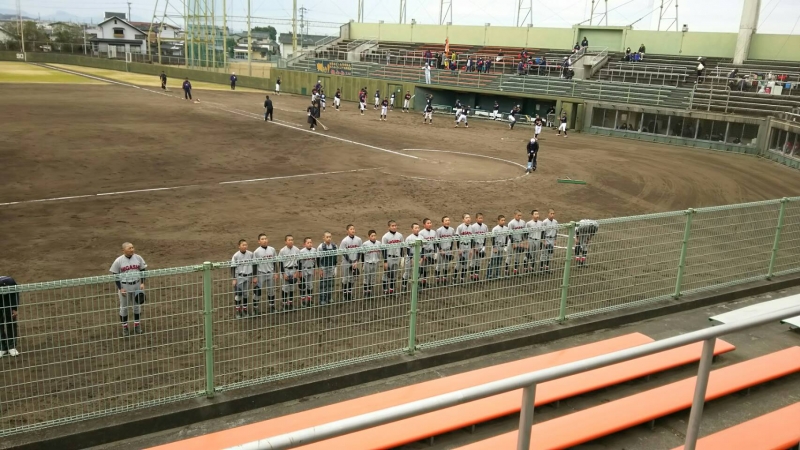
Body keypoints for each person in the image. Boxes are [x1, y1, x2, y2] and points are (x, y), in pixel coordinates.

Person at [110, 242, 148, 335]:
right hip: (125, 286)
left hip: (137, 285)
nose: (132, 250)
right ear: (123, 250)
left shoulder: (138, 258)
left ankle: (137, 326)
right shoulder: (118, 261)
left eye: (132, 247)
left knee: (137, 306)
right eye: (129, 248)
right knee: (124, 308)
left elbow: (143, 270)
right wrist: (120, 288)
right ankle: (125, 327)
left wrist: (142, 283)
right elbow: (115, 275)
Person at [230, 239, 255, 319]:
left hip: (248, 276)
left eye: (246, 245)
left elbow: (254, 264)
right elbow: (233, 267)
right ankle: (238, 310)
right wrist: (234, 278)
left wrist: (253, 276)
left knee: (246, 294)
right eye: (243, 245)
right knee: (238, 294)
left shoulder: (250, 254)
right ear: (239, 246)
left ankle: (244, 309)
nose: (245, 246)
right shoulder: (236, 255)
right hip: (239, 277)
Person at [253, 233, 278, 314]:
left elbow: (275, 262)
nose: (264, 240)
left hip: (270, 273)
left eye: (265, 239)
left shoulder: (272, 249)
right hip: (261, 274)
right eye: (262, 239)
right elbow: (254, 265)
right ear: (259, 241)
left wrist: (276, 272)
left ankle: (272, 306)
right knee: (257, 291)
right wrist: (255, 276)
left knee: (271, 290)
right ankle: (255, 308)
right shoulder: (256, 252)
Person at [340, 225, 363, 301]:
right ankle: (344, 294)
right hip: (346, 262)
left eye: (353, 229)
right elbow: (343, 252)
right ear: (347, 231)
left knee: (352, 279)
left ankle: (349, 294)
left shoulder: (358, 239)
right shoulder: (344, 241)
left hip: (355, 262)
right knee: (345, 279)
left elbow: (359, 251)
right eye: (351, 229)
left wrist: (356, 261)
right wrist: (350, 262)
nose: (353, 230)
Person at [381, 221, 404, 295]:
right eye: (392, 226)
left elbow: (402, 247)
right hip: (389, 257)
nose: (394, 227)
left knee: (394, 274)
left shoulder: (400, 235)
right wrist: (385, 261)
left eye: (395, 225)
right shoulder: (385, 237)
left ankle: (391, 290)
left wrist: (402, 257)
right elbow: (384, 249)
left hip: (397, 257)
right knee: (386, 273)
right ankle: (385, 290)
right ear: (389, 227)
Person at [279, 235, 301, 310]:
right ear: (285, 242)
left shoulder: (297, 250)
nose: (291, 241)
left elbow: (299, 261)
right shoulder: (282, 251)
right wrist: (283, 273)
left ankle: (290, 304)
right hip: (286, 270)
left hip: (293, 270)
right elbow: (280, 263)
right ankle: (284, 304)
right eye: (289, 240)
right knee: (285, 288)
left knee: (292, 288)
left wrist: (297, 271)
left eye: (292, 240)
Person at [0, 275, 19, 357]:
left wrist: (14, 308)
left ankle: (12, 347)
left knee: (10, 322)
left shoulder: (10, 282)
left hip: (8, 300)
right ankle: (2, 348)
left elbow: (15, 294)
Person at [316, 232, 338, 305]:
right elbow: (318, 259)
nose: (329, 238)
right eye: (327, 237)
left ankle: (329, 298)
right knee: (323, 284)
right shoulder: (320, 247)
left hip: (332, 267)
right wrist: (320, 269)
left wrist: (335, 267)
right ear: (324, 238)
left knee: (330, 283)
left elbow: (335, 258)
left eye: (330, 237)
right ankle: (322, 299)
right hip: (324, 267)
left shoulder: (334, 246)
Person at [435, 216, 456, 284]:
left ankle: (444, 278)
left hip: (448, 250)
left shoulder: (452, 230)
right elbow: (437, 241)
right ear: (443, 222)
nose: (447, 222)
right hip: (441, 250)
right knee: (439, 265)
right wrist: (441, 250)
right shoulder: (439, 230)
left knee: (446, 265)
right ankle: (437, 279)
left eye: (448, 220)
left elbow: (452, 240)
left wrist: (451, 249)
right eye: (446, 220)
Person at [298, 237, 318, 307]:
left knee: (310, 285)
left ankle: (309, 300)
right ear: (304, 244)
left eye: (310, 242)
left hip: (311, 269)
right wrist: (300, 272)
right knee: (303, 286)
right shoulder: (301, 251)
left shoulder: (314, 250)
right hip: (304, 270)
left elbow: (314, 261)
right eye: (308, 243)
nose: (310, 244)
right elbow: (299, 262)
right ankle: (303, 300)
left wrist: (315, 269)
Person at [403, 223, 423, 290]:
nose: (417, 229)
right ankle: (404, 286)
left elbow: (423, 248)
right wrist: (412, 259)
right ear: (412, 229)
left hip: (418, 256)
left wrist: (421, 258)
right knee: (407, 272)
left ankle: (416, 286)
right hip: (410, 257)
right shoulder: (409, 238)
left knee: (417, 272)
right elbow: (408, 250)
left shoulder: (421, 237)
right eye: (415, 228)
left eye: (418, 228)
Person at [454, 214, 474, 283]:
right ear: (463, 220)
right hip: (461, 246)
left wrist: (471, 249)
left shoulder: (472, 227)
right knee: (458, 263)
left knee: (466, 264)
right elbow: (457, 238)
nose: (468, 219)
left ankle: (462, 278)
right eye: (466, 218)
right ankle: (454, 278)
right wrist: (458, 249)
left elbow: (472, 238)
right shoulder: (460, 227)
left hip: (468, 246)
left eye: (469, 217)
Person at [488, 215, 508, 280]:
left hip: (502, 246)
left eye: (504, 220)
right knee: (493, 260)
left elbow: (506, 237)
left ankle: (497, 274)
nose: (503, 221)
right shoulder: (495, 229)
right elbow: (492, 238)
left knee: (499, 261)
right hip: (496, 245)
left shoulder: (506, 228)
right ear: (498, 221)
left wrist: (505, 245)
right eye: (502, 220)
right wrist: (494, 247)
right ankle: (489, 275)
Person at [361, 230, 381, 298]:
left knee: (373, 278)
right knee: (366, 278)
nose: (374, 237)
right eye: (372, 236)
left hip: (375, 263)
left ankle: (370, 292)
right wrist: (363, 264)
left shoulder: (379, 243)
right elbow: (362, 254)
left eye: (375, 235)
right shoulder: (365, 244)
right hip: (367, 263)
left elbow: (380, 252)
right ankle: (365, 292)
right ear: (369, 236)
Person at [469, 213, 488, 281]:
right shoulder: (473, 227)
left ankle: (476, 275)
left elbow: (485, 237)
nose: (481, 219)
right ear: (476, 219)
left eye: (481, 218)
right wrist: (474, 247)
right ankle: (471, 275)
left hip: (481, 245)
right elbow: (471, 238)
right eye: (479, 218)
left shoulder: (485, 226)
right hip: (475, 245)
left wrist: (483, 247)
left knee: (479, 261)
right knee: (473, 261)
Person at [419, 219, 437, 287]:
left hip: (430, 252)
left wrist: (435, 252)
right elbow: (420, 245)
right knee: (421, 268)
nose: (429, 224)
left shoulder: (434, 232)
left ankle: (424, 282)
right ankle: (419, 282)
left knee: (427, 269)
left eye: (430, 223)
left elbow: (435, 243)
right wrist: (422, 255)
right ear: (424, 225)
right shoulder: (421, 233)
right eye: (428, 223)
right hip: (424, 252)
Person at [507, 210, 527, 275]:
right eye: (518, 215)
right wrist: (513, 243)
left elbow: (524, 233)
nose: (519, 216)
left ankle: (515, 270)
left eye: (520, 215)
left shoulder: (523, 222)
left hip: (519, 241)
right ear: (515, 215)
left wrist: (523, 242)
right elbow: (510, 234)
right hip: (512, 241)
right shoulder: (511, 223)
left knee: (517, 257)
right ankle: (506, 271)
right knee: (509, 256)